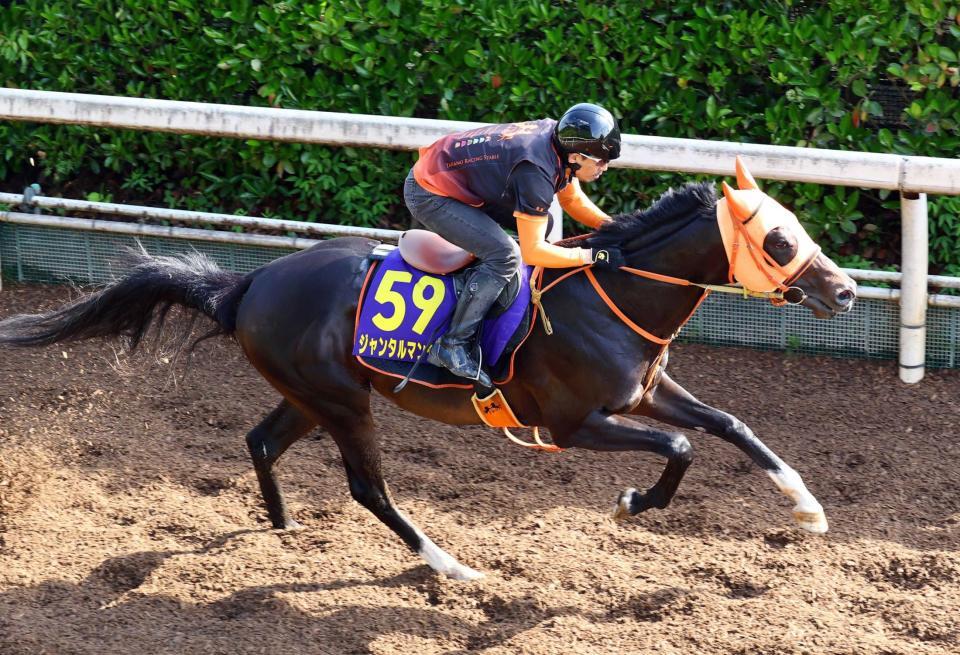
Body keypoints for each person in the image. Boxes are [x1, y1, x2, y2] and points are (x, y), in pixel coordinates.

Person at [404, 102, 624, 387]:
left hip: (459, 179)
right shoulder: (536, 170)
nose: (605, 167)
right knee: (505, 256)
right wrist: (592, 255)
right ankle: (452, 345)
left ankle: (491, 293)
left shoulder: (558, 141)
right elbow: (533, 252)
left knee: (543, 224)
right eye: (601, 161)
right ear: (575, 156)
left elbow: (572, 200)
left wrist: (614, 227)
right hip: (429, 192)